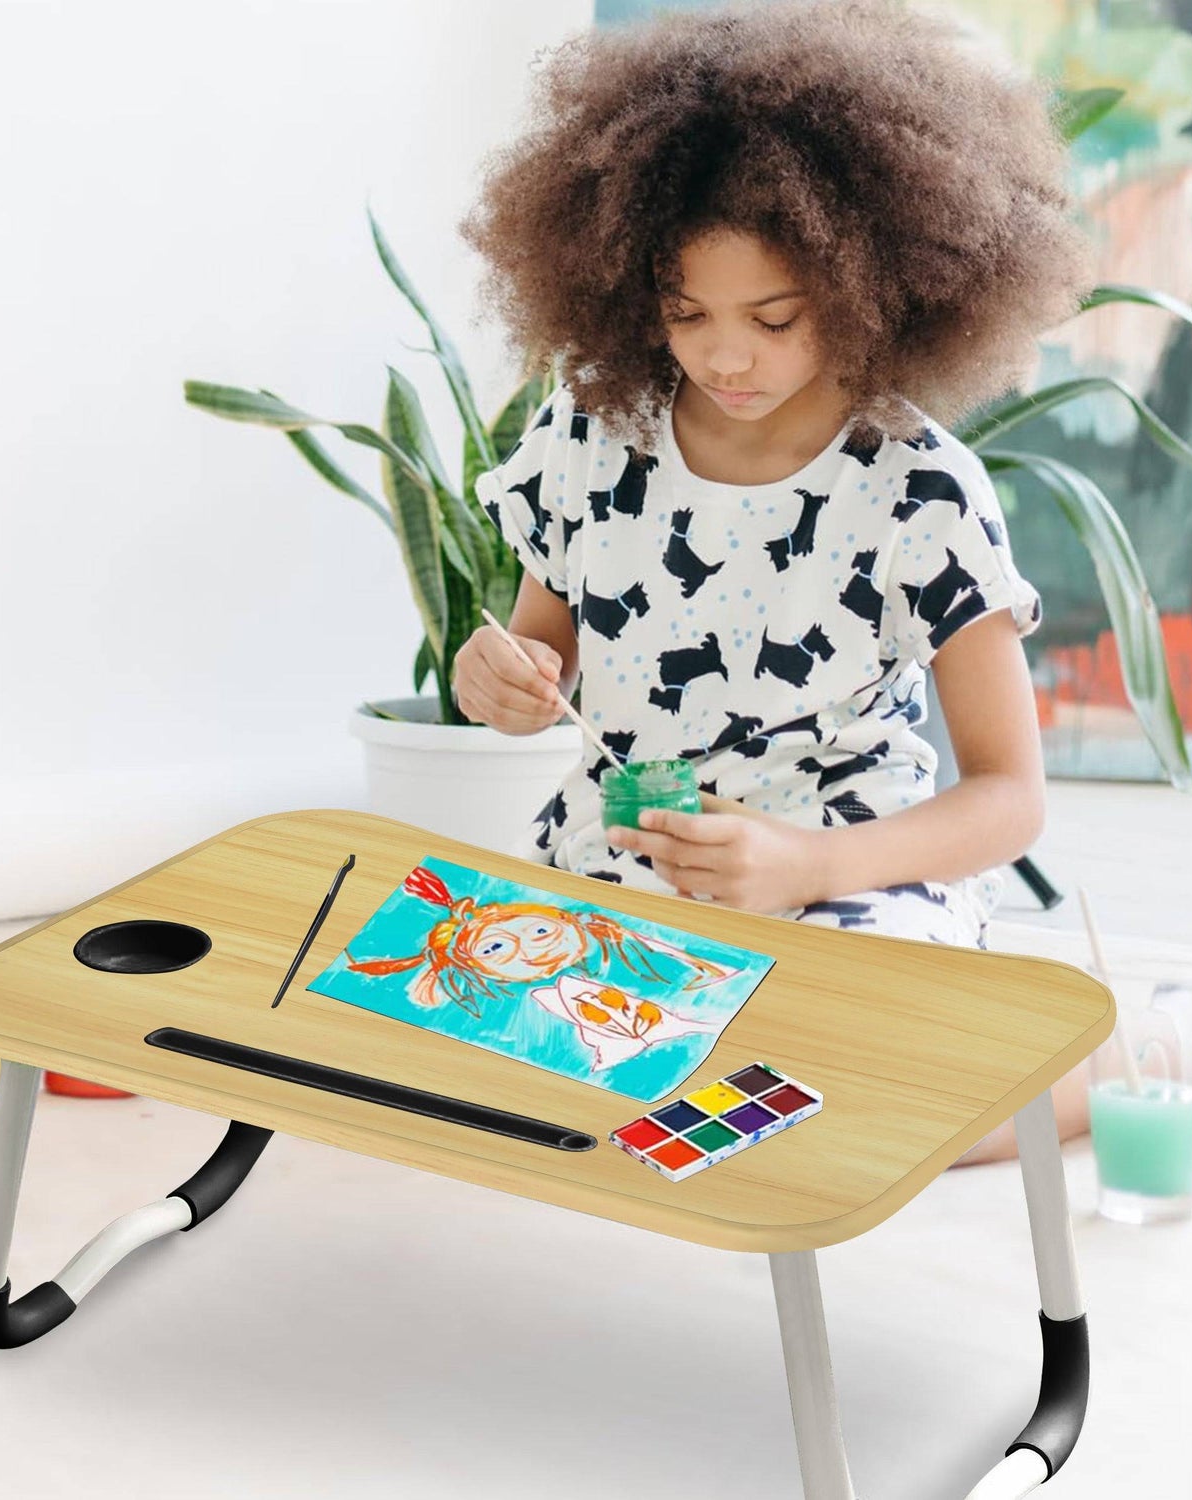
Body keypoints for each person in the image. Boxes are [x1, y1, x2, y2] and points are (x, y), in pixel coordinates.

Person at [451, 0, 1099, 1165]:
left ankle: (1143, 1069)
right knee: (470, 1052)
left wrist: (807, 866)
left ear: (869, 289)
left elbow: (1012, 798)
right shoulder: (595, 434)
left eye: (774, 316)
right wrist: (491, 675)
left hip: (850, 871)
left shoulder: (919, 490)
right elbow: (540, 649)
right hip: (625, 863)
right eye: (686, 312)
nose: (725, 356)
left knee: (840, 1104)